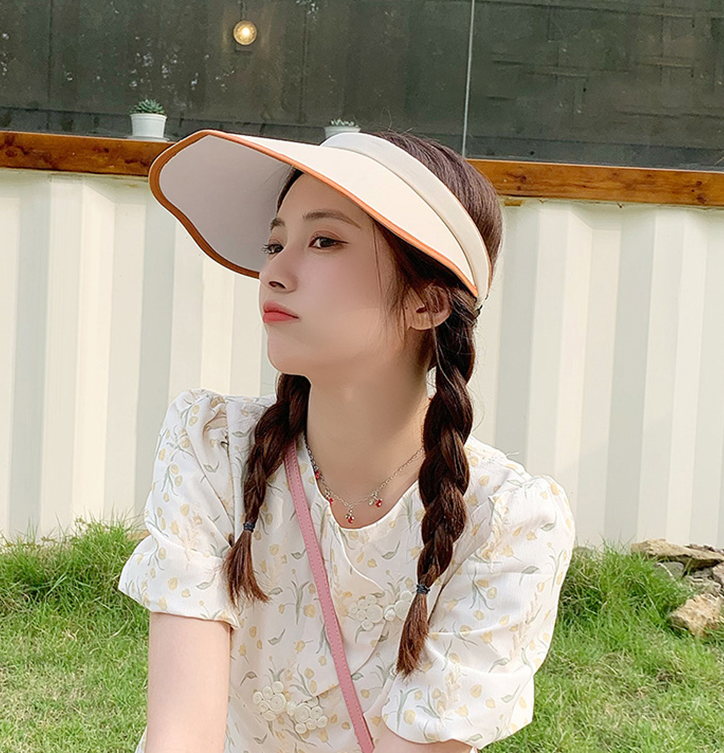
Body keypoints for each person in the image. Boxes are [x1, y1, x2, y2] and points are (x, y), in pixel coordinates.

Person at [118, 127, 576, 753]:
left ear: (427, 302)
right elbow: (182, 735)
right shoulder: (214, 447)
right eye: (274, 243)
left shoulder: (509, 523)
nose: (274, 271)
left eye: (325, 241)